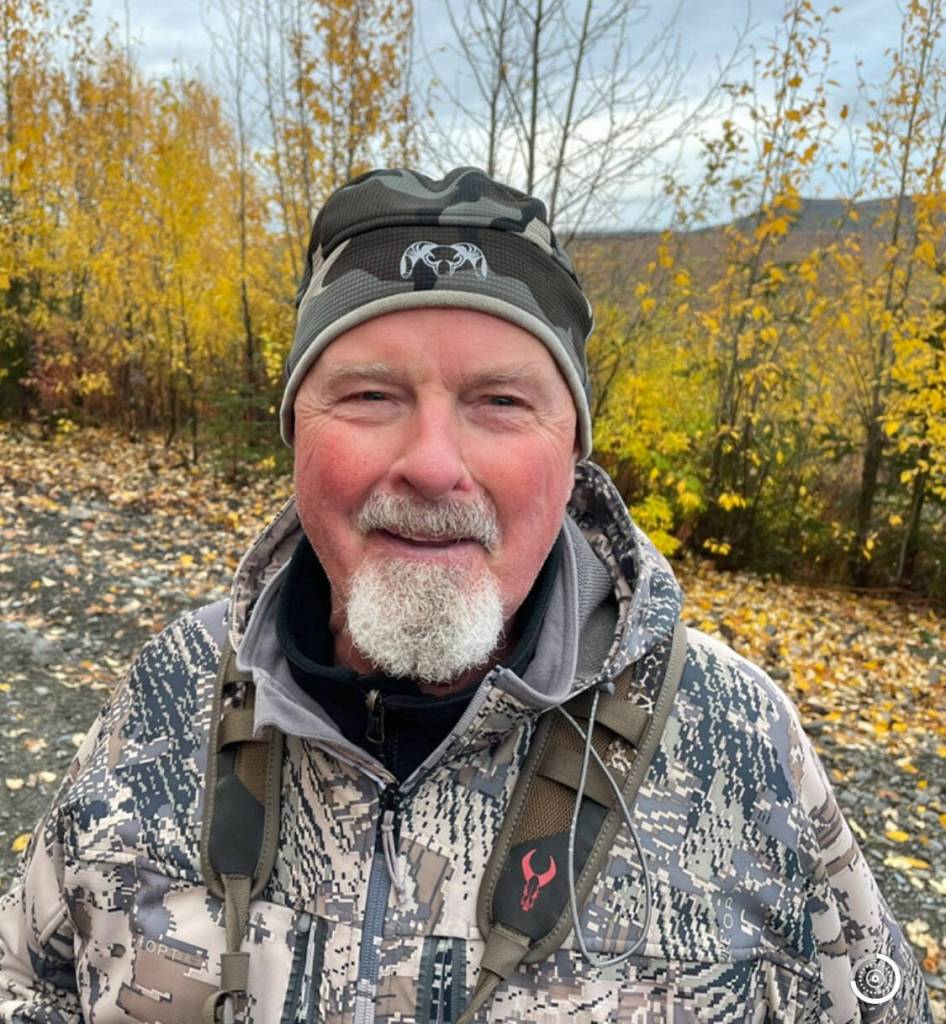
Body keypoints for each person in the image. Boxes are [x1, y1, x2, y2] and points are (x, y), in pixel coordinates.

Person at [0, 167, 933, 1024]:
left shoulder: (741, 743)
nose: (435, 466)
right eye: (369, 395)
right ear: (295, 434)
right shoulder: (169, 696)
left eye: (501, 403)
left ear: (573, 454)